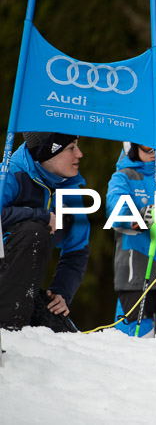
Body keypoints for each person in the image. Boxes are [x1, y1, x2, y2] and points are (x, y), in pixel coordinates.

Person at [107, 113, 156, 338]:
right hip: (136, 268)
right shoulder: (124, 177)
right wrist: (139, 217)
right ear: (131, 146)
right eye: (148, 148)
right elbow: (116, 213)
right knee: (143, 335)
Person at [0, 132, 90, 332]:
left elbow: (77, 249)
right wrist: (40, 215)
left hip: (24, 290)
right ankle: (8, 329)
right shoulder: (10, 175)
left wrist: (62, 292)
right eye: (71, 148)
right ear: (48, 152)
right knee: (34, 230)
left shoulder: (71, 191)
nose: (80, 154)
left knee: (67, 339)